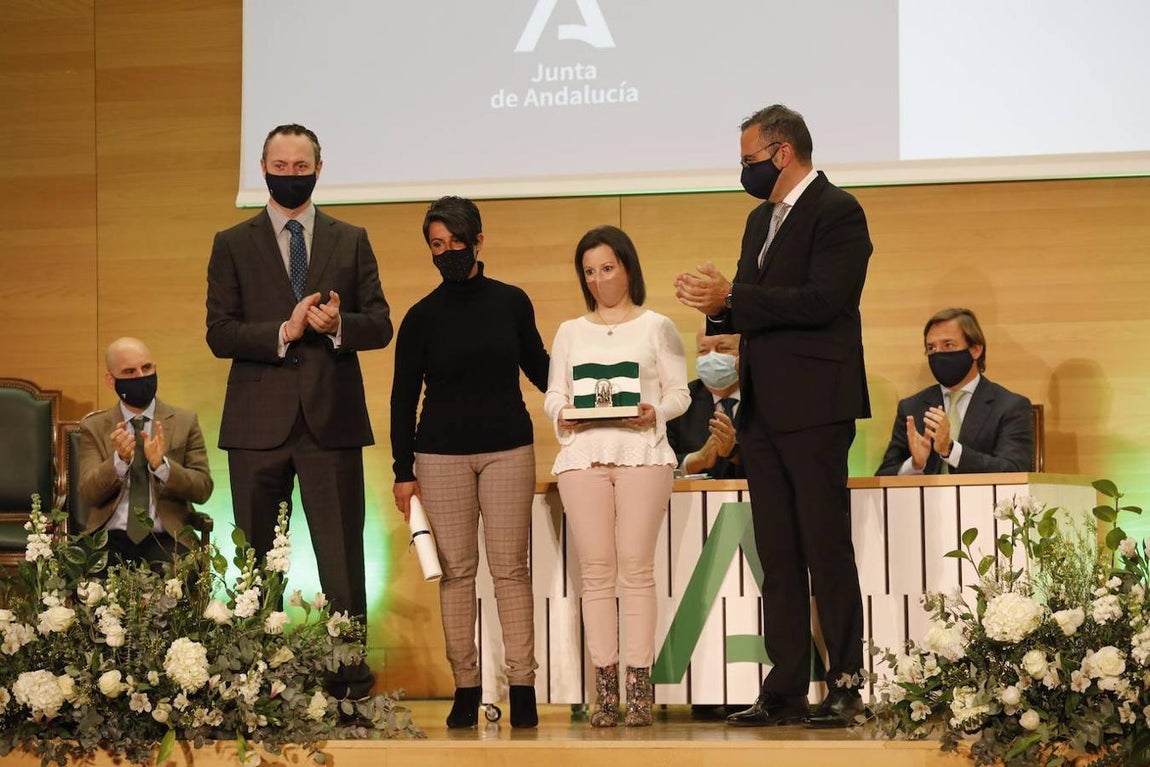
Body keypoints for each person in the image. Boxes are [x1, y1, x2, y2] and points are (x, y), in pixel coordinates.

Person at [675, 104, 871, 728]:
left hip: (816, 408)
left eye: (749, 161)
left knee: (825, 549)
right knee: (778, 555)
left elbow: (823, 299)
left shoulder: (839, 212)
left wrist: (735, 296)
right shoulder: (760, 219)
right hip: (762, 410)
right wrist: (715, 307)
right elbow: (746, 310)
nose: (744, 172)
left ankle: (845, 684)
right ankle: (785, 687)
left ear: (782, 153)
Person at [206, 123, 392, 699]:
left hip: (330, 422)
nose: (291, 174)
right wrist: (282, 332)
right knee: (257, 563)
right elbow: (219, 332)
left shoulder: (351, 237)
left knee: (342, 558)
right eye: (280, 166)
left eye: (301, 165)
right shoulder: (231, 242)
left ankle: (348, 679)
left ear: (319, 167)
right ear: (262, 169)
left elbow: (381, 323)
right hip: (256, 426)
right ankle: (259, 678)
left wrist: (340, 327)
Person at [390, 196, 550, 729]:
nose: (448, 252)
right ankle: (466, 686)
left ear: (479, 240)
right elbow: (401, 398)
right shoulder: (420, 317)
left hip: (508, 448)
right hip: (437, 456)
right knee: (456, 574)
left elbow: (541, 369)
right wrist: (402, 471)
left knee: (511, 571)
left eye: (456, 242)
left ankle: (522, 688)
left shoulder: (511, 301)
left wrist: (590, 399)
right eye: (437, 245)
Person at [544, 225, 690, 728]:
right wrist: (563, 414)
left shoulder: (657, 326)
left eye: (607, 267)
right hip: (583, 457)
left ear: (627, 267)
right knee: (597, 573)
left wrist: (654, 413)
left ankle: (639, 687)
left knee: (636, 568)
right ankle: (605, 691)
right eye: (589, 271)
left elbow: (680, 393)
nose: (599, 279)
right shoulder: (570, 331)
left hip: (643, 454)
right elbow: (554, 395)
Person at [78, 337, 213, 568]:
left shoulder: (184, 421)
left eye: (147, 367)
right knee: (91, 579)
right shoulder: (95, 427)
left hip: (167, 536)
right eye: (130, 371)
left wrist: (162, 466)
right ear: (111, 380)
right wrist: (118, 461)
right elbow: (88, 493)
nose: (141, 376)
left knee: (174, 579)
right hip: (109, 536)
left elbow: (203, 489)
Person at [876, 307, 1034, 475]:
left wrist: (950, 450)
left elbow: (1013, 470)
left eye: (948, 345)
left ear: (975, 350)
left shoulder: (1010, 407)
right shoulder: (911, 408)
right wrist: (915, 464)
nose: (938, 354)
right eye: (931, 348)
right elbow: (883, 476)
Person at [667, 329, 744, 480]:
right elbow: (658, 463)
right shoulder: (680, 401)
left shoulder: (767, 398)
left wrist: (734, 452)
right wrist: (698, 459)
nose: (712, 357)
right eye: (703, 351)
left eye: (723, 349)